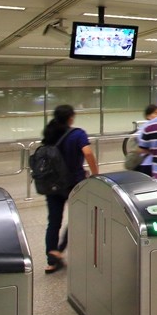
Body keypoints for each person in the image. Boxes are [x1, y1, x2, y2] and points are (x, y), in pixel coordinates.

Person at [41, 104, 98, 274]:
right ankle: (60, 249)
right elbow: (87, 152)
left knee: (53, 222)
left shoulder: (50, 133)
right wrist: (95, 173)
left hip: (53, 184)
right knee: (76, 217)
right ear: (71, 117)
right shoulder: (77, 133)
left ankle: (51, 261)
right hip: (74, 183)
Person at [127, 104, 157, 175]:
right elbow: (144, 144)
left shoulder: (154, 127)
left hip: (154, 163)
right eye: (156, 113)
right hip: (147, 163)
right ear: (148, 116)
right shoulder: (146, 127)